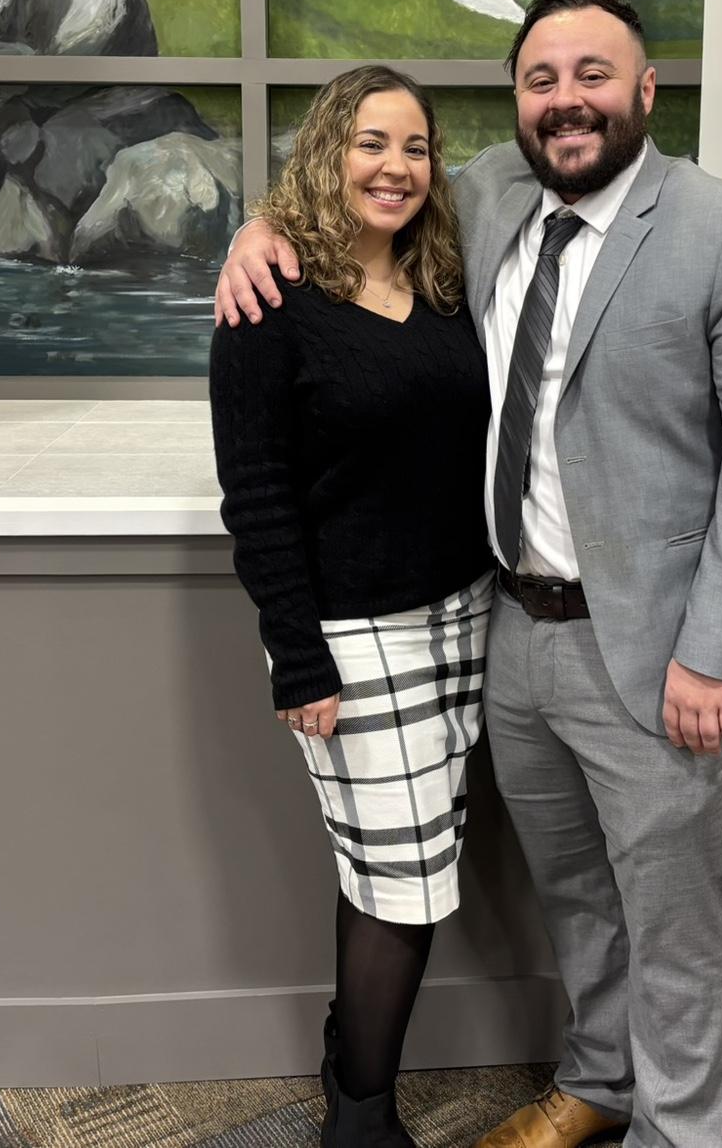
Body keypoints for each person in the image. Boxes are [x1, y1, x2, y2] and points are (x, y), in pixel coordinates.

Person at [216, 0, 722, 1148]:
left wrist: (715, 653)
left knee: (676, 919)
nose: (567, 100)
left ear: (647, 89)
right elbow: (356, 187)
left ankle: (679, 1136)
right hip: (511, 632)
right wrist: (256, 233)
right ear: (517, 100)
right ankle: (600, 1084)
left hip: (663, 649)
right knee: (577, 898)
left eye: (595, 74)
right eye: (542, 79)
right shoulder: (493, 190)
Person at [208, 65, 494, 1148]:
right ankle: (361, 1119)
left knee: (394, 869)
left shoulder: (445, 284)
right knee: (407, 885)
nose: (395, 167)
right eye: (371, 143)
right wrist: (298, 656)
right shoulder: (269, 305)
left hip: (471, 615)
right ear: (328, 152)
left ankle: (350, 1064)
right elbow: (257, 494)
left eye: (416, 147)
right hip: (356, 636)